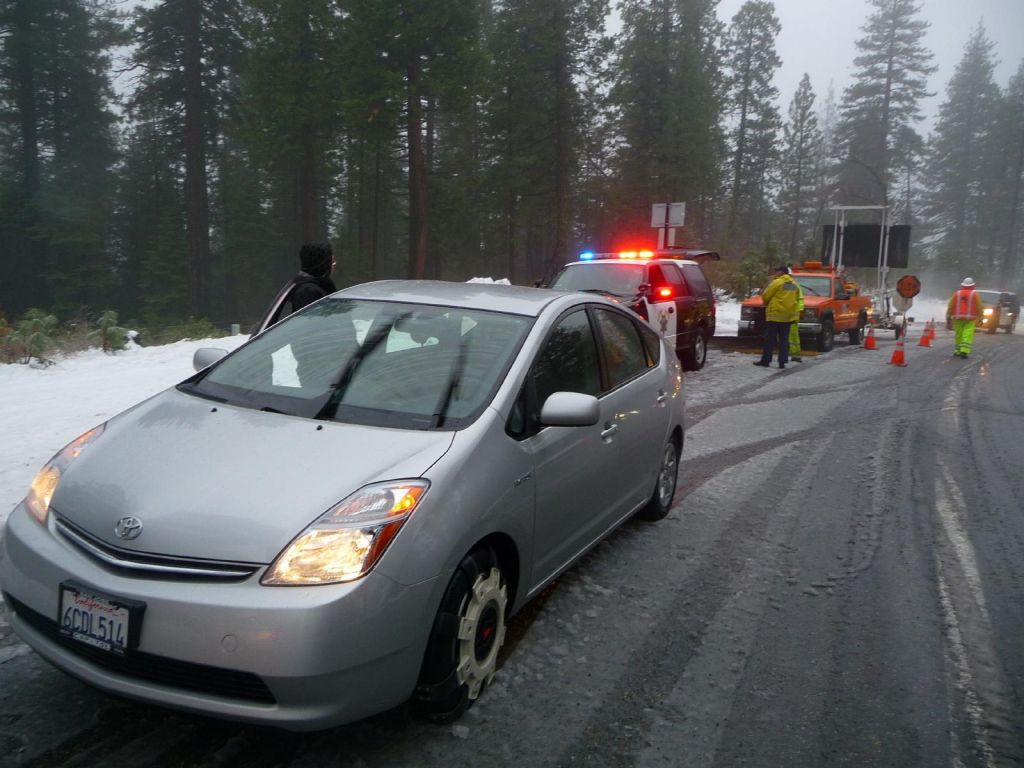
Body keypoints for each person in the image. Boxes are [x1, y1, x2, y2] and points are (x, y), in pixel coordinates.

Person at [754, 264, 801, 369]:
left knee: (769, 339)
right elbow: (797, 297)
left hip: (775, 315)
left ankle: (766, 360)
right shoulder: (794, 284)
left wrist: (767, 303)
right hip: (788, 316)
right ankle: (782, 361)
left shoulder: (777, 282)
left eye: (777, 271)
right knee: (784, 339)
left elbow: (766, 295)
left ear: (781, 272)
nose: (775, 272)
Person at [291, 241, 337, 312]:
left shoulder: (316, 286)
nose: (334, 264)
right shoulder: (308, 292)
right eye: (332, 261)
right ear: (322, 264)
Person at [946, 277, 982, 358]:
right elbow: (979, 306)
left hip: (958, 318)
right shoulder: (975, 294)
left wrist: (948, 316)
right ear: (972, 285)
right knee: (967, 334)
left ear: (963, 285)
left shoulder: (957, 294)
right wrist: (981, 317)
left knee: (959, 334)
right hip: (970, 319)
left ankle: (957, 351)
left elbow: (950, 305)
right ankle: (964, 351)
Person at [787, 265, 804, 362]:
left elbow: (799, 300)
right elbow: (800, 300)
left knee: (790, 336)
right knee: (793, 336)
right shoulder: (795, 285)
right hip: (793, 315)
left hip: (789, 315)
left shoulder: (790, 285)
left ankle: (793, 354)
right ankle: (795, 355)